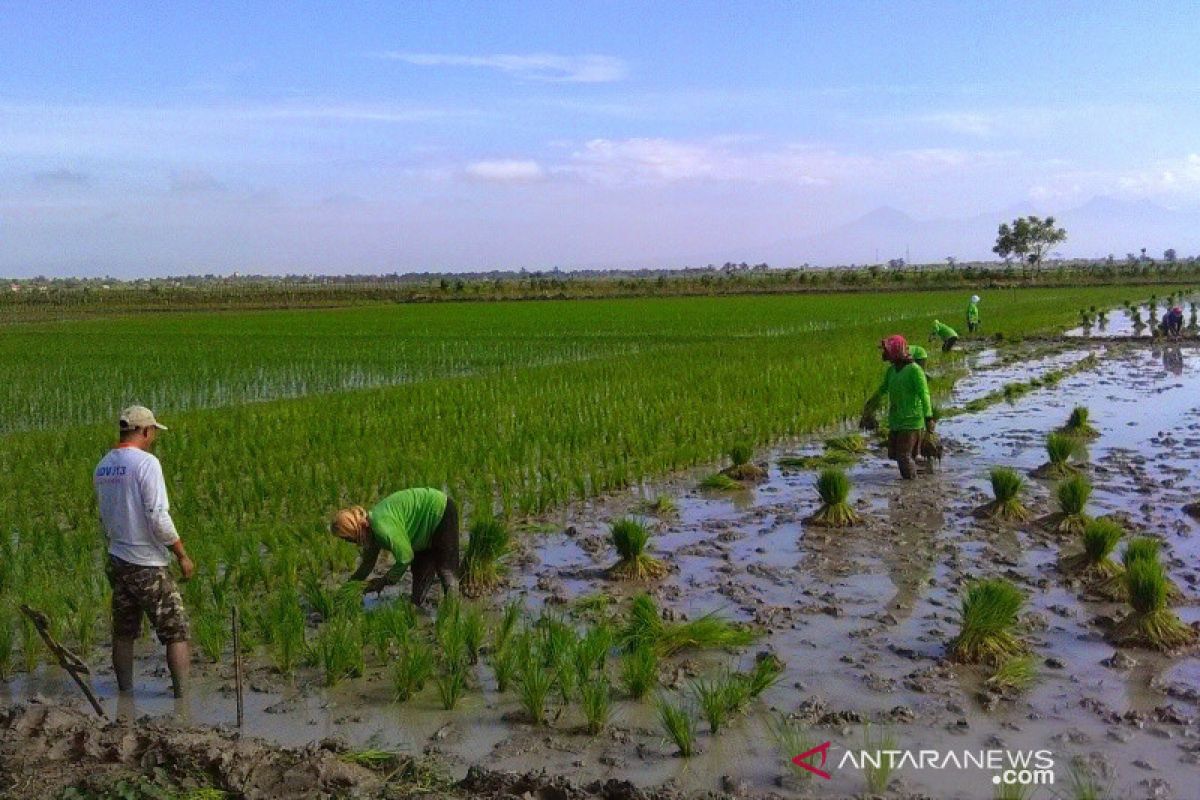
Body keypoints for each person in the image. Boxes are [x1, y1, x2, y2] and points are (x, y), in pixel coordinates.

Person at [93, 406, 194, 698]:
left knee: (124, 631)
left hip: (118, 558)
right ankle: (183, 699)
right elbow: (158, 515)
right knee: (175, 629)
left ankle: (125, 695)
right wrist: (181, 553)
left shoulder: (103, 466)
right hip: (146, 562)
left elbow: (105, 515)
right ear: (145, 431)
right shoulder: (146, 464)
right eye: (153, 433)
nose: (153, 438)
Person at [331, 488, 459, 605]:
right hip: (420, 531)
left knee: (445, 570)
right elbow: (366, 565)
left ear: (354, 530)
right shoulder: (369, 535)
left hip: (439, 511)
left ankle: (454, 613)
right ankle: (417, 610)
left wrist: (384, 581)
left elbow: (405, 557)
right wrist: (347, 589)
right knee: (419, 571)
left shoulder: (381, 527)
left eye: (347, 538)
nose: (348, 542)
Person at [862, 336, 934, 479]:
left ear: (896, 351)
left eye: (887, 351)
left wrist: (929, 417)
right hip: (896, 420)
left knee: (903, 456)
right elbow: (883, 389)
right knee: (895, 454)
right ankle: (924, 469)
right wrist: (870, 404)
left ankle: (910, 486)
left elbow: (924, 394)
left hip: (912, 420)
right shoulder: (892, 371)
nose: (885, 354)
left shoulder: (915, 370)